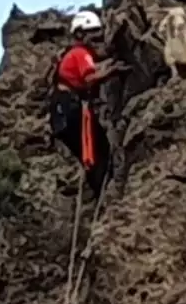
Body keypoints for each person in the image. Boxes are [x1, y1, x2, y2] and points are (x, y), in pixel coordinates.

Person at [49, 10, 127, 197]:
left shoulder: (77, 55)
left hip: (61, 114)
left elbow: (93, 68)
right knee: (100, 149)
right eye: (92, 32)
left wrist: (110, 64)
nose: (96, 37)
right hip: (70, 110)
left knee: (93, 153)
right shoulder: (79, 53)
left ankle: (99, 189)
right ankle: (104, 191)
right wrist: (114, 70)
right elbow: (90, 76)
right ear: (79, 34)